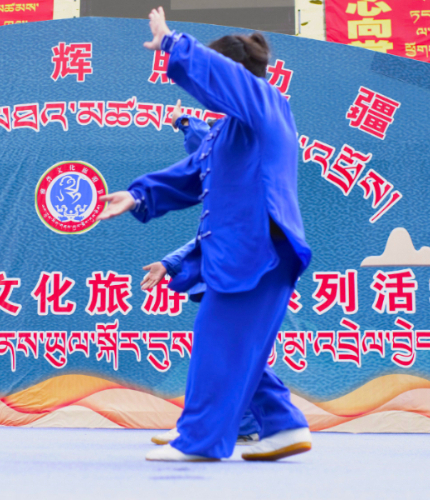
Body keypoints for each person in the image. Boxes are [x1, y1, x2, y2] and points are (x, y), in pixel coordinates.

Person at [98, 7, 312, 462]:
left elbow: (230, 81)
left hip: (259, 252)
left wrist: (173, 43)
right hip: (239, 254)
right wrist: (137, 196)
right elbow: (191, 173)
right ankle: (282, 425)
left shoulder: (269, 105)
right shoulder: (225, 132)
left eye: (220, 74)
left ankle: (199, 440)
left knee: (218, 345)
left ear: (235, 75)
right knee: (238, 348)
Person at [145, 102, 261, 447]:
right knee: (226, 354)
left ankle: (208, 427)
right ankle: (243, 425)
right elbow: (207, 236)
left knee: (222, 354)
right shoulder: (230, 190)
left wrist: (184, 121)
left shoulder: (245, 176)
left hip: (240, 281)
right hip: (232, 280)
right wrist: (169, 263)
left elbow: (211, 146)